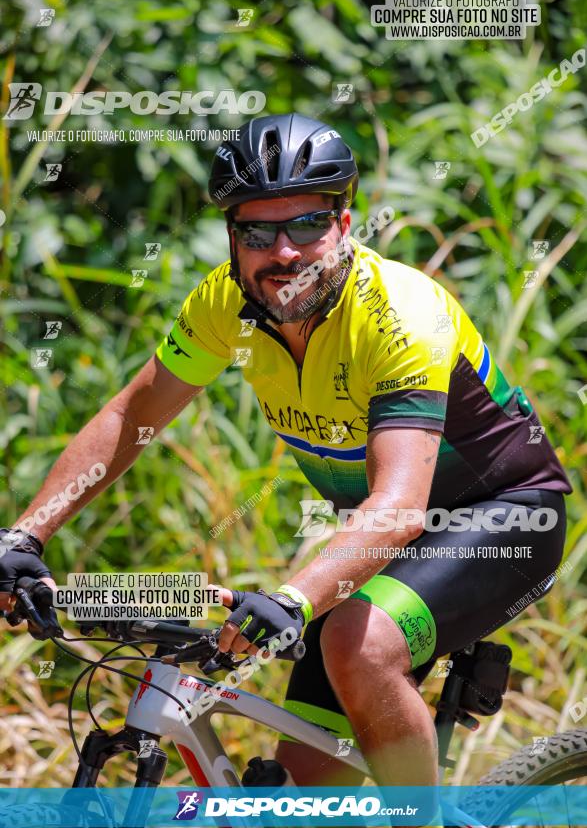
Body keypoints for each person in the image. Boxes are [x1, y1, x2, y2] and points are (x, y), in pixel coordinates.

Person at [0, 113, 572, 824]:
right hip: (375, 534)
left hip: (502, 515)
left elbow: (399, 505)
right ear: (231, 238)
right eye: (257, 233)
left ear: (344, 222)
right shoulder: (224, 305)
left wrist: (296, 600)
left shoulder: (400, 315)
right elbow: (130, 417)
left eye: (306, 225)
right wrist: (23, 537)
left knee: (353, 644)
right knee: (294, 805)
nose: (284, 252)